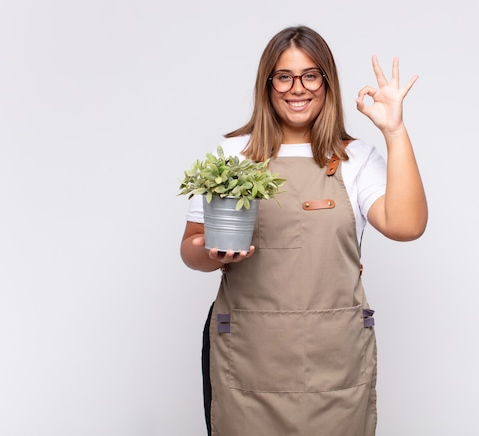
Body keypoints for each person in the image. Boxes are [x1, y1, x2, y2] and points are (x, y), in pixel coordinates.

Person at [180, 25, 427, 436]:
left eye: (311, 75)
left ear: (327, 83)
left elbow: (407, 225)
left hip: (335, 359)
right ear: (268, 84)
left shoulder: (354, 158)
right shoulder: (231, 156)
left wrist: (394, 131)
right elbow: (190, 247)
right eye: (284, 76)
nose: (298, 88)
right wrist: (212, 253)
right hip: (248, 355)